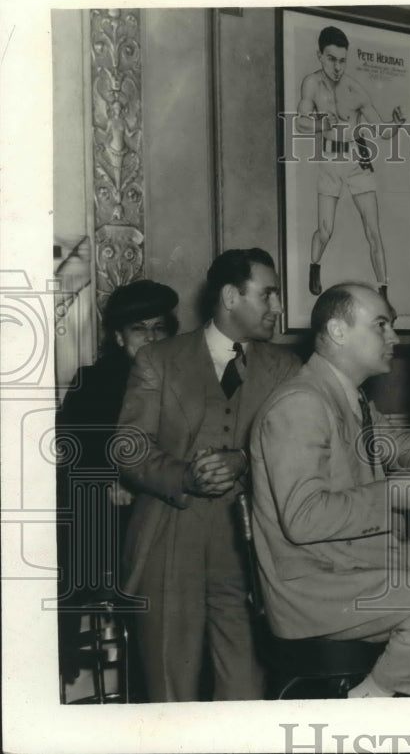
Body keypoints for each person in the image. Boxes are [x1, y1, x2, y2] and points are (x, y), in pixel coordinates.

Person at [249, 282, 410, 698]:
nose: (394, 338)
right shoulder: (300, 404)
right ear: (338, 331)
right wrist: (391, 496)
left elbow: (398, 445)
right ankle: (371, 700)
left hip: (350, 562)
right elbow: (303, 517)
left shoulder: (348, 396)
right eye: (381, 325)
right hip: (313, 585)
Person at [117, 248, 301, 702]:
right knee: (169, 688)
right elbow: (130, 446)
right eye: (268, 294)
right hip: (168, 537)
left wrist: (243, 460)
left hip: (250, 544)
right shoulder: (158, 359)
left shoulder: (287, 368)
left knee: (246, 687)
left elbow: (296, 451)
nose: (278, 308)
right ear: (230, 296)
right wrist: (185, 476)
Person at [56, 280, 179, 690]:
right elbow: (71, 450)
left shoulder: (181, 382)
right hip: (104, 517)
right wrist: (110, 479)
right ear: (118, 335)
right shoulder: (92, 382)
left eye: (159, 327)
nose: (151, 337)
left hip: (162, 508)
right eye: (140, 328)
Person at [296, 25, 406, 297]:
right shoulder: (311, 83)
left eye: (342, 61)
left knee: (373, 230)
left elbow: (381, 132)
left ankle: (383, 291)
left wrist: (397, 124)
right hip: (330, 159)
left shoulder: (355, 90)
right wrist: (322, 123)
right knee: (325, 230)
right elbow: (299, 122)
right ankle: (314, 265)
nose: (337, 67)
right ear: (319, 55)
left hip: (357, 157)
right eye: (331, 59)